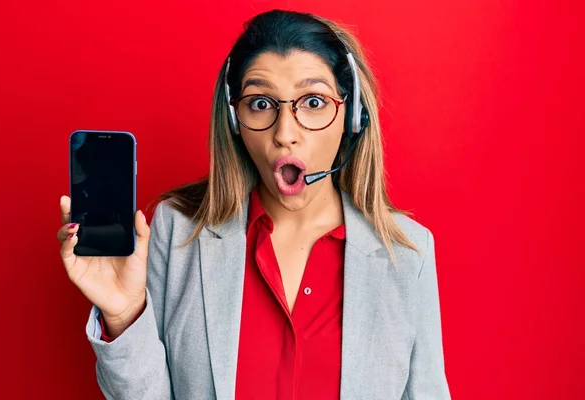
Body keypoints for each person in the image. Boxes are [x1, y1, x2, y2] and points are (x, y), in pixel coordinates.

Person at [57, 9, 451, 400]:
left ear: (352, 116)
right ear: (234, 120)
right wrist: (124, 315)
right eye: (261, 104)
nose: (285, 134)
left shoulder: (407, 255)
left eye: (313, 101)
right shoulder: (178, 232)